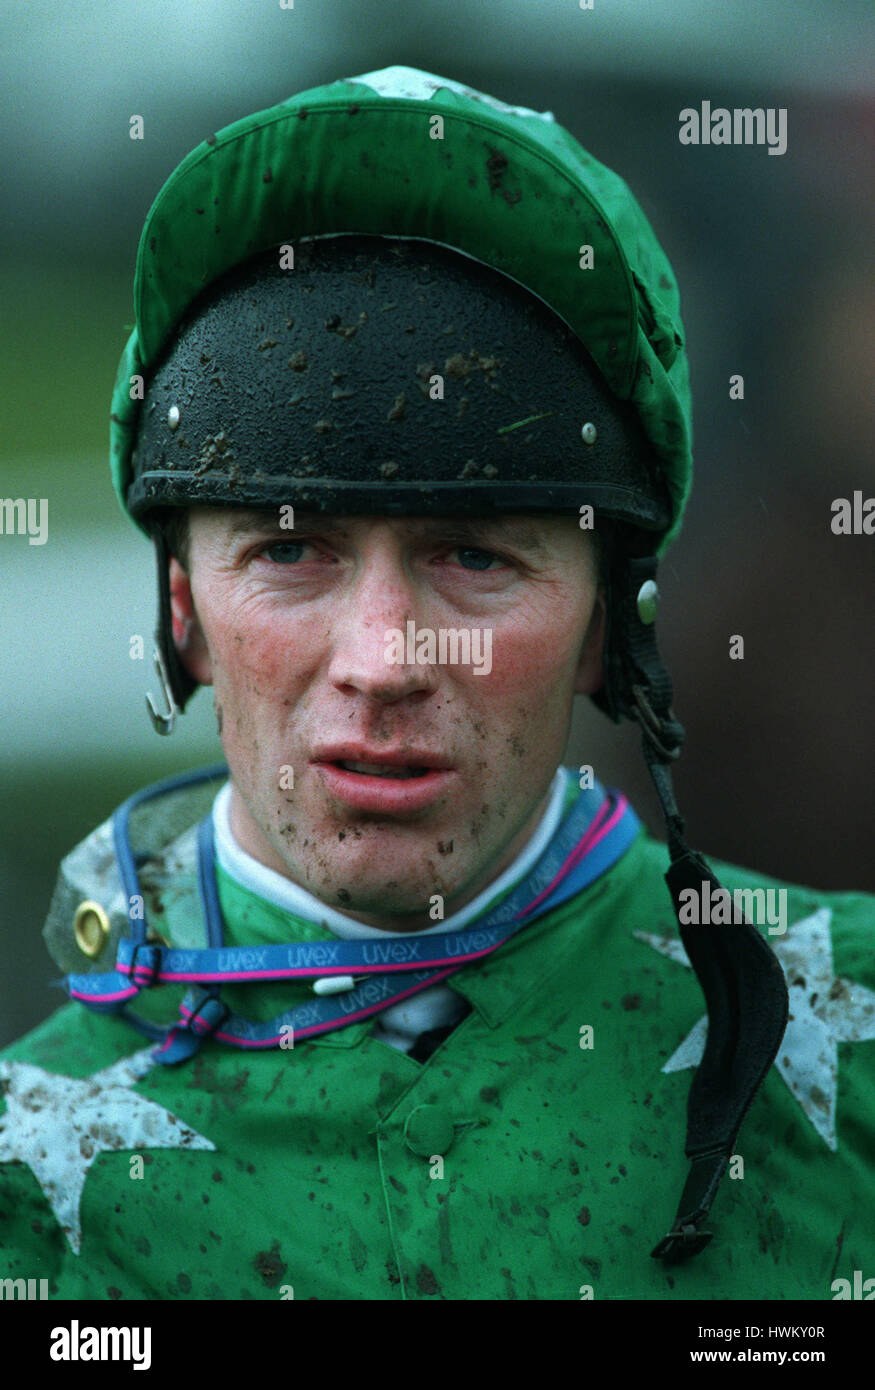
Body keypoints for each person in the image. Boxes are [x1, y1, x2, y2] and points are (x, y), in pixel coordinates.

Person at [1, 66, 872, 1302]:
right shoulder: (33, 1180)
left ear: (604, 630)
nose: (386, 660)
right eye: (290, 552)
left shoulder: (852, 1044)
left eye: (474, 555)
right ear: (182, 613)